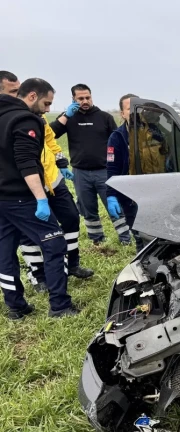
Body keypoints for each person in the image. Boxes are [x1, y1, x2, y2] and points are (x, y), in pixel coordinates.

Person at [0, 72, 93, 292]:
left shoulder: (36, 118)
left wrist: (61, 163)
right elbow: (23, 160)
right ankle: (38, 275)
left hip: (52, 179)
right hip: (25, 186)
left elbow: (50, 140)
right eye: (13, 92)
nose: (17, 96)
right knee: (29, 233)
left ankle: (72, 263)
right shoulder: (13, 119)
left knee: (71, 217)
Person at [49, 84, 128, 246]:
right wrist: (65, 116)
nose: (85, 101)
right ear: (73, 99)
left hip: (104, 171)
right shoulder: (69, 118)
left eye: (87, 97)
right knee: (88, 209)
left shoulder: (105, 117)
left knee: (114, 206)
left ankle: (125, 238)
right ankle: (96, 240)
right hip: (80, 172)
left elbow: (118, 142)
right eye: (80, 98)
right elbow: (50, 135)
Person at [106, 94, 168, 254]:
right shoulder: (117, 137)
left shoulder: (156, 132)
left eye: (137, 108)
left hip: (157, 191)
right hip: (131, 196)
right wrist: (111, 195)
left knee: (161, 234)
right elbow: (112, 168)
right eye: (129, 109)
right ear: (122, 114)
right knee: (141, 236)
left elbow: (168, 158)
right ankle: (143, 263)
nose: (134, 112)